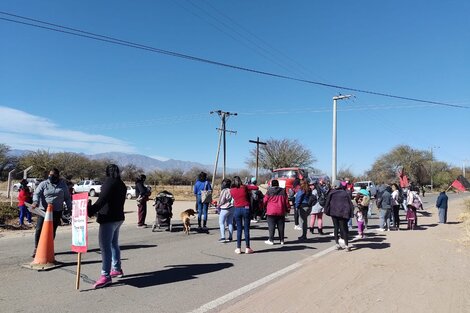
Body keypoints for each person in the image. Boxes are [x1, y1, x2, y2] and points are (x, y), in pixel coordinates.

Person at [88, 164, 127, 289]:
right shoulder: (121, 184)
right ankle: (116, 268)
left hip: (108, 218)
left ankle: (105, 275)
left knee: (105, 247)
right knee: (113, 244)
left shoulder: (109, 183)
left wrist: (89, 210)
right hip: (119, 217)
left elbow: (101, 201)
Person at [31, 168, 72, 257]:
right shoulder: (43, 184)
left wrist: (70, 208)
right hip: (43, 211)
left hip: (56, 211)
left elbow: (67, 198)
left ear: (57, 176)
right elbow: (36, 194)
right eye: (50, 175)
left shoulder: (63, 185)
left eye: (53, 175)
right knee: (39, 229)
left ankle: (48, 247)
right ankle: (37, 248)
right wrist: (35, 202)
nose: (51, 176)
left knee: (52, 230)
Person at [230, 176, 258, 254]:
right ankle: (247, 247)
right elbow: (256, 187)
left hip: (237, 209)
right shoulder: (244, 187)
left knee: (239, 229)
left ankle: (238, 248)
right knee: (246, 229)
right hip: (246, 209)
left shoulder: (231, 190)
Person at [324, 180, 354, 251]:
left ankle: (337, 244)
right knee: (343, 228)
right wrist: (350, 213)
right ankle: (346, 245)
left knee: (336, 228)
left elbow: (327, 203)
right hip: (343, 213)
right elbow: (349, 204)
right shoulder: (345, 193)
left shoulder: (331, 193)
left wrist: (326, 211)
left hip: (333, 213)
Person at [263, 179, 289, 245]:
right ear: (278, 184)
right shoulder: (283, 191)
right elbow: (286, 201)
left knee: (271, 226)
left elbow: (265, 201)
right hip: (281, 211)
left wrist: (264, 208)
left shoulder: (269, 191)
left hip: (271, 211)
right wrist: (287, 209)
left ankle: (271, 240)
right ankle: (282, 240)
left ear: (271, 184)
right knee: (281, 226)